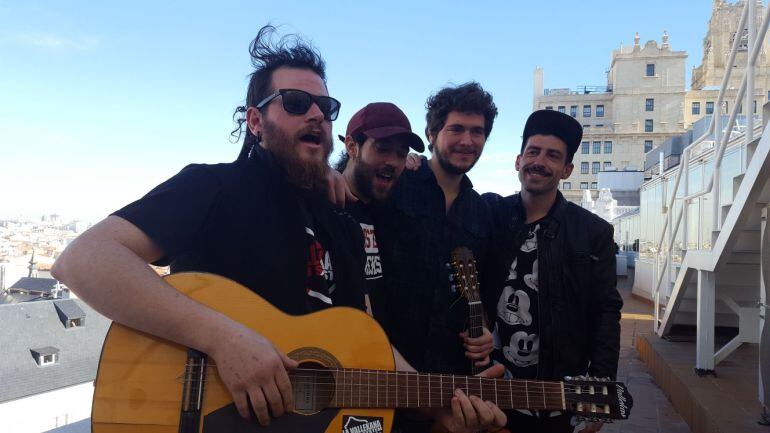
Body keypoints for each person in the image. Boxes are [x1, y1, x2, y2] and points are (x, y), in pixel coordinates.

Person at [52, 26, 505, 433]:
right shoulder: (215, 187)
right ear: (255, 121)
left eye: (324, 106)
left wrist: (436, 405)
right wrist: (224, 339)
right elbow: (83, 260)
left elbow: (369, 346)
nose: (315, 114)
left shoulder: (341, 226)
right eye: (294, 103)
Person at [482, 110, 623, 433]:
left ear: (567, 169)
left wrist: (600, 395)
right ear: (518, 160)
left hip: (556, 395)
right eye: (533, 152)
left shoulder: (592, 233)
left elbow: (605, 311)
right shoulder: (490, 215)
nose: (539, 162)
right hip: (492, 389)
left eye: (552, 156)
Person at [372, 82, 498, 432]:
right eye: (456, 129)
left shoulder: (481, 212)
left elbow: (481, 294)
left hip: (448, 390)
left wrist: (486, 331)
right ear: (431, 133)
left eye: (478, 132)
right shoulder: (395, 183)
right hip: (382, 375)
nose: (467, 140)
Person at [334, 102, 424, 325]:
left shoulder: (387, 212)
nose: (393, 162)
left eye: (402, 154)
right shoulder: (325, 205)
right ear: (352, 146)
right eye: (382, 149)